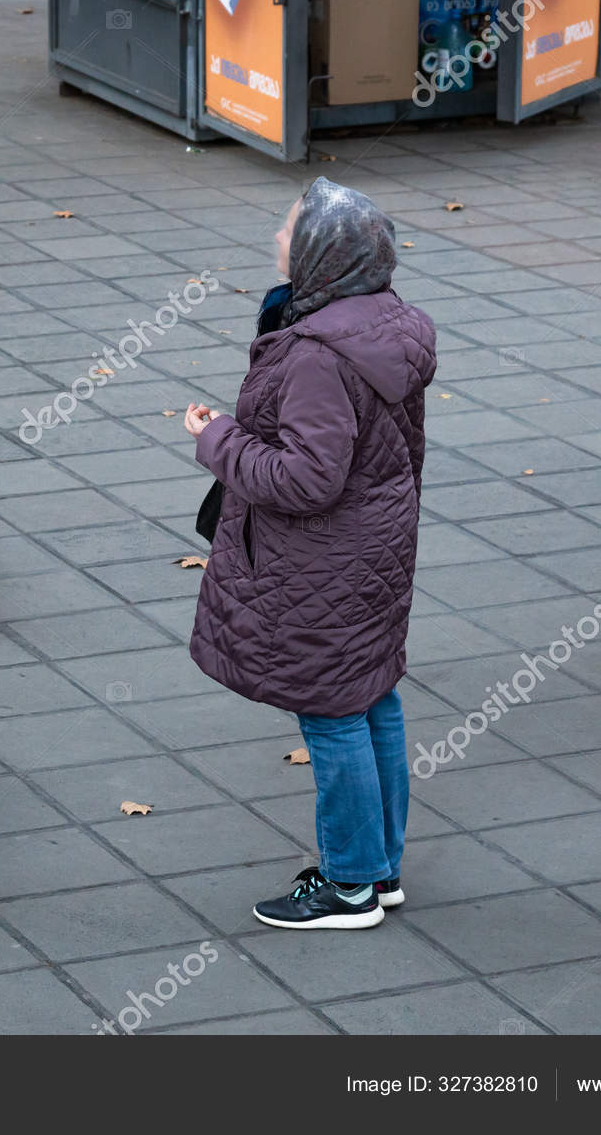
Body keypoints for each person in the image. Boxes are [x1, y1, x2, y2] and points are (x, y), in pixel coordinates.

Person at [184, 177, 436, 931]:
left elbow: (306, 478)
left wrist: (216, 438)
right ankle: (378, 869)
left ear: (325, 255)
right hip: (373, 551)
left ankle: (351, 886)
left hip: (320, 564)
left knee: (331, 715)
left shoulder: (319, 356)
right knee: (370, 700)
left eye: (290, 231)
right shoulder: (384, 324)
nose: (277, 240)